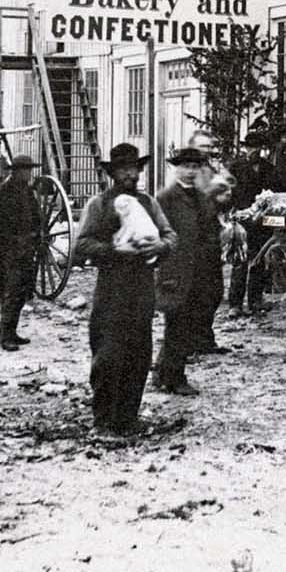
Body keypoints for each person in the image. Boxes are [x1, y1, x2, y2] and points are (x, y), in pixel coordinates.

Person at [73, 143, 177, 435]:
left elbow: (170, 236)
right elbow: (81, 244)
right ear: (113, 173)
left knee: (138, 353)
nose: (131, 175)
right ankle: (104, 419)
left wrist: (160, 245)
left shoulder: (148, 204)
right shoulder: (100, 204)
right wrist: (114, 250)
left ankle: (128, 417)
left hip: (142, 286)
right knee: (107, 353)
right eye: (124, 170)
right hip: (111, 286)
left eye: (134, 169)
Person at [154, 147, 224, 395]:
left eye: (196, 167)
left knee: (186, 322)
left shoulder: (203, 198)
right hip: (175, 269)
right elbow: (159, 236)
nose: (191, 172)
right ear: (177, 168)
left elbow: (212, 230)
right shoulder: (165, 199)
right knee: (177, 323)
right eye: (186, 167)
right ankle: (174, 378)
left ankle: (164, 371)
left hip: (200, 270)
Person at [0, 154, 44, 350]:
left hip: (25, 249)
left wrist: (36, 233)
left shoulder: (26, 190)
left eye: (29, 170)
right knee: (12, 291)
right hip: (9, 251)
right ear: (16, 171)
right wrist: (13, 241)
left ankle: (11, 331)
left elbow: (35, 215)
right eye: (25, 170)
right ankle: (5, 336)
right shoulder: (4, 191)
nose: (28, 173)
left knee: (22, 290)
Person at [227, 131, 277, 317]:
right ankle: (235, 304)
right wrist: (232, 213)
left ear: (261, 149)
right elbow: (227, 193)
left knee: (258, 260)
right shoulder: (236, 168)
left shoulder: (269, 169)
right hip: (241, 219)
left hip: (263, 221)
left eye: (256, 147)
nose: (252, 151)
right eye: (249, 147)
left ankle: (255, 300)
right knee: (239, 261)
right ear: (245, 148)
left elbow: (275, 194)